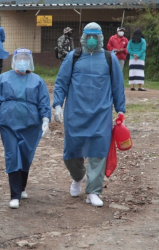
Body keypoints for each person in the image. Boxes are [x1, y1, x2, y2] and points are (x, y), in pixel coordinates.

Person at [52, 22, 126, 207]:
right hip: (75, 113)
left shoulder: (109, 59)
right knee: (71, 153)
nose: (92, 40)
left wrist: (121, 109)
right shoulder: (73, 57)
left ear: (100, 38)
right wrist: (58, 105)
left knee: (98, 152)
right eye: (89, 36)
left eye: (95, 36)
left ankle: (93, 191)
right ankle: (78, 177)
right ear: (84, 37)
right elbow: (61, 82)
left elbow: (118, 86)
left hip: (101, 114)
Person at [0, 48, 51, 209]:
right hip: (8, 123)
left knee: (25, 156)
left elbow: (43, 101)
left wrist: (45, 119)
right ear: (14, 61)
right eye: (19, 58)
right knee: (12, 156)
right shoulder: (3, 79)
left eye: (25, 58)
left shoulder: (37, 80)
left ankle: (22, 187)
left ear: (30, 61)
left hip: (31, 124)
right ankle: (14, 195)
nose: (22, 61)